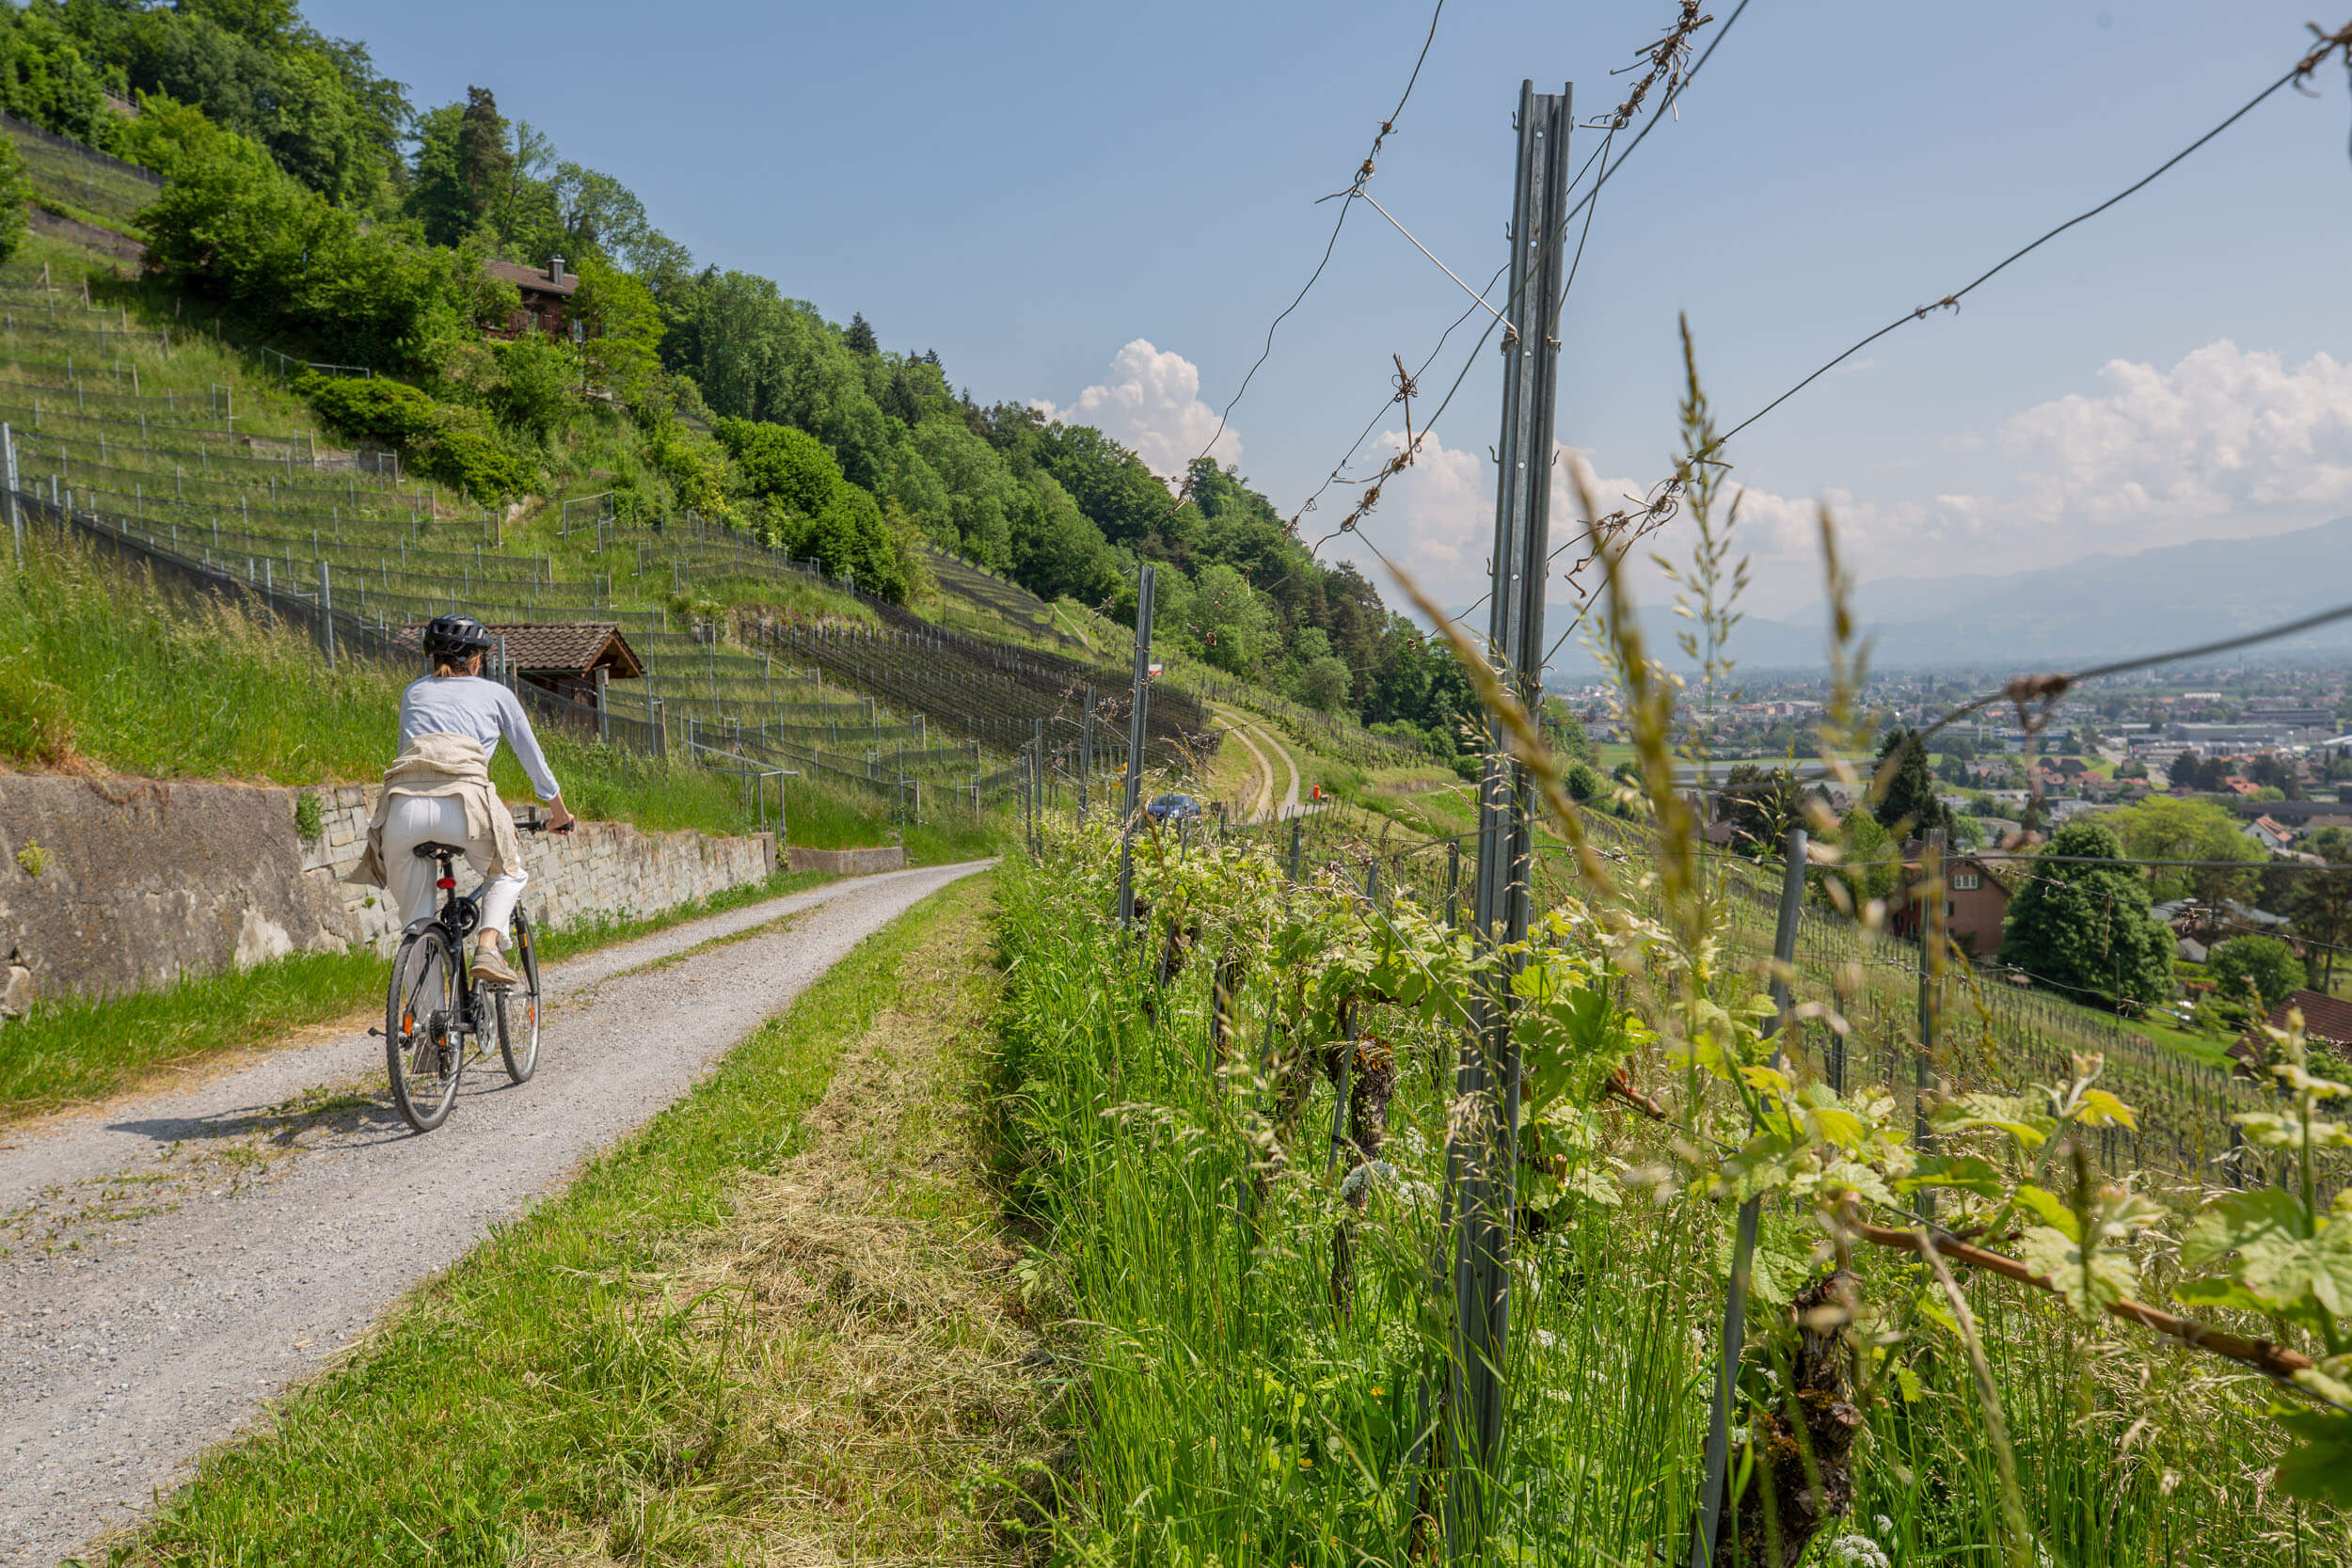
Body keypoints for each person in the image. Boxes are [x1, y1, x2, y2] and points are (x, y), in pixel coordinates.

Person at [349, 615, 575, 987]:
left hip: (401, 808)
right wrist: (559, 814)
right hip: (464, 804)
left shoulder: (413, 692)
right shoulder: (496, 694)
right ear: (475, 661)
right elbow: (533, 761)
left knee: (418, 927)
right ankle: (487, 947)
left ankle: (430, 1034)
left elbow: (415, 754)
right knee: (509, 870)